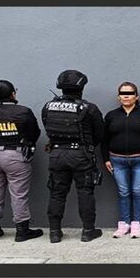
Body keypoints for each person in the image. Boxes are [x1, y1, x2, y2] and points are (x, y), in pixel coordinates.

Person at [42, 69, 106, 243]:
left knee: (56, 193)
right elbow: (100, 133)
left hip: (56, 154)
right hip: (81, 154)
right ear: (81, 87)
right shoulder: (88, 107)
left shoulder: (48, 106)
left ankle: (54, 233)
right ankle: (88, 231)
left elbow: (47, 126)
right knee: (85, 192)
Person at [0, 79, 43, 242]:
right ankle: (22, 231)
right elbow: (34, 133)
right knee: (19, 194)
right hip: (15, 155)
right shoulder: (23, 111)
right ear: (12, 93)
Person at [103, 82, 140, 238]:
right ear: (118, 97)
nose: (126, 95)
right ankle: (123, 224)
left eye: (130, 93)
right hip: (117, 160)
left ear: (137, 96)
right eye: (123, 93)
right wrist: (106, 159)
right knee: (123, 192)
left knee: (137, 191)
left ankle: (136, 224)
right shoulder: (111, 116)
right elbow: (105, 139)